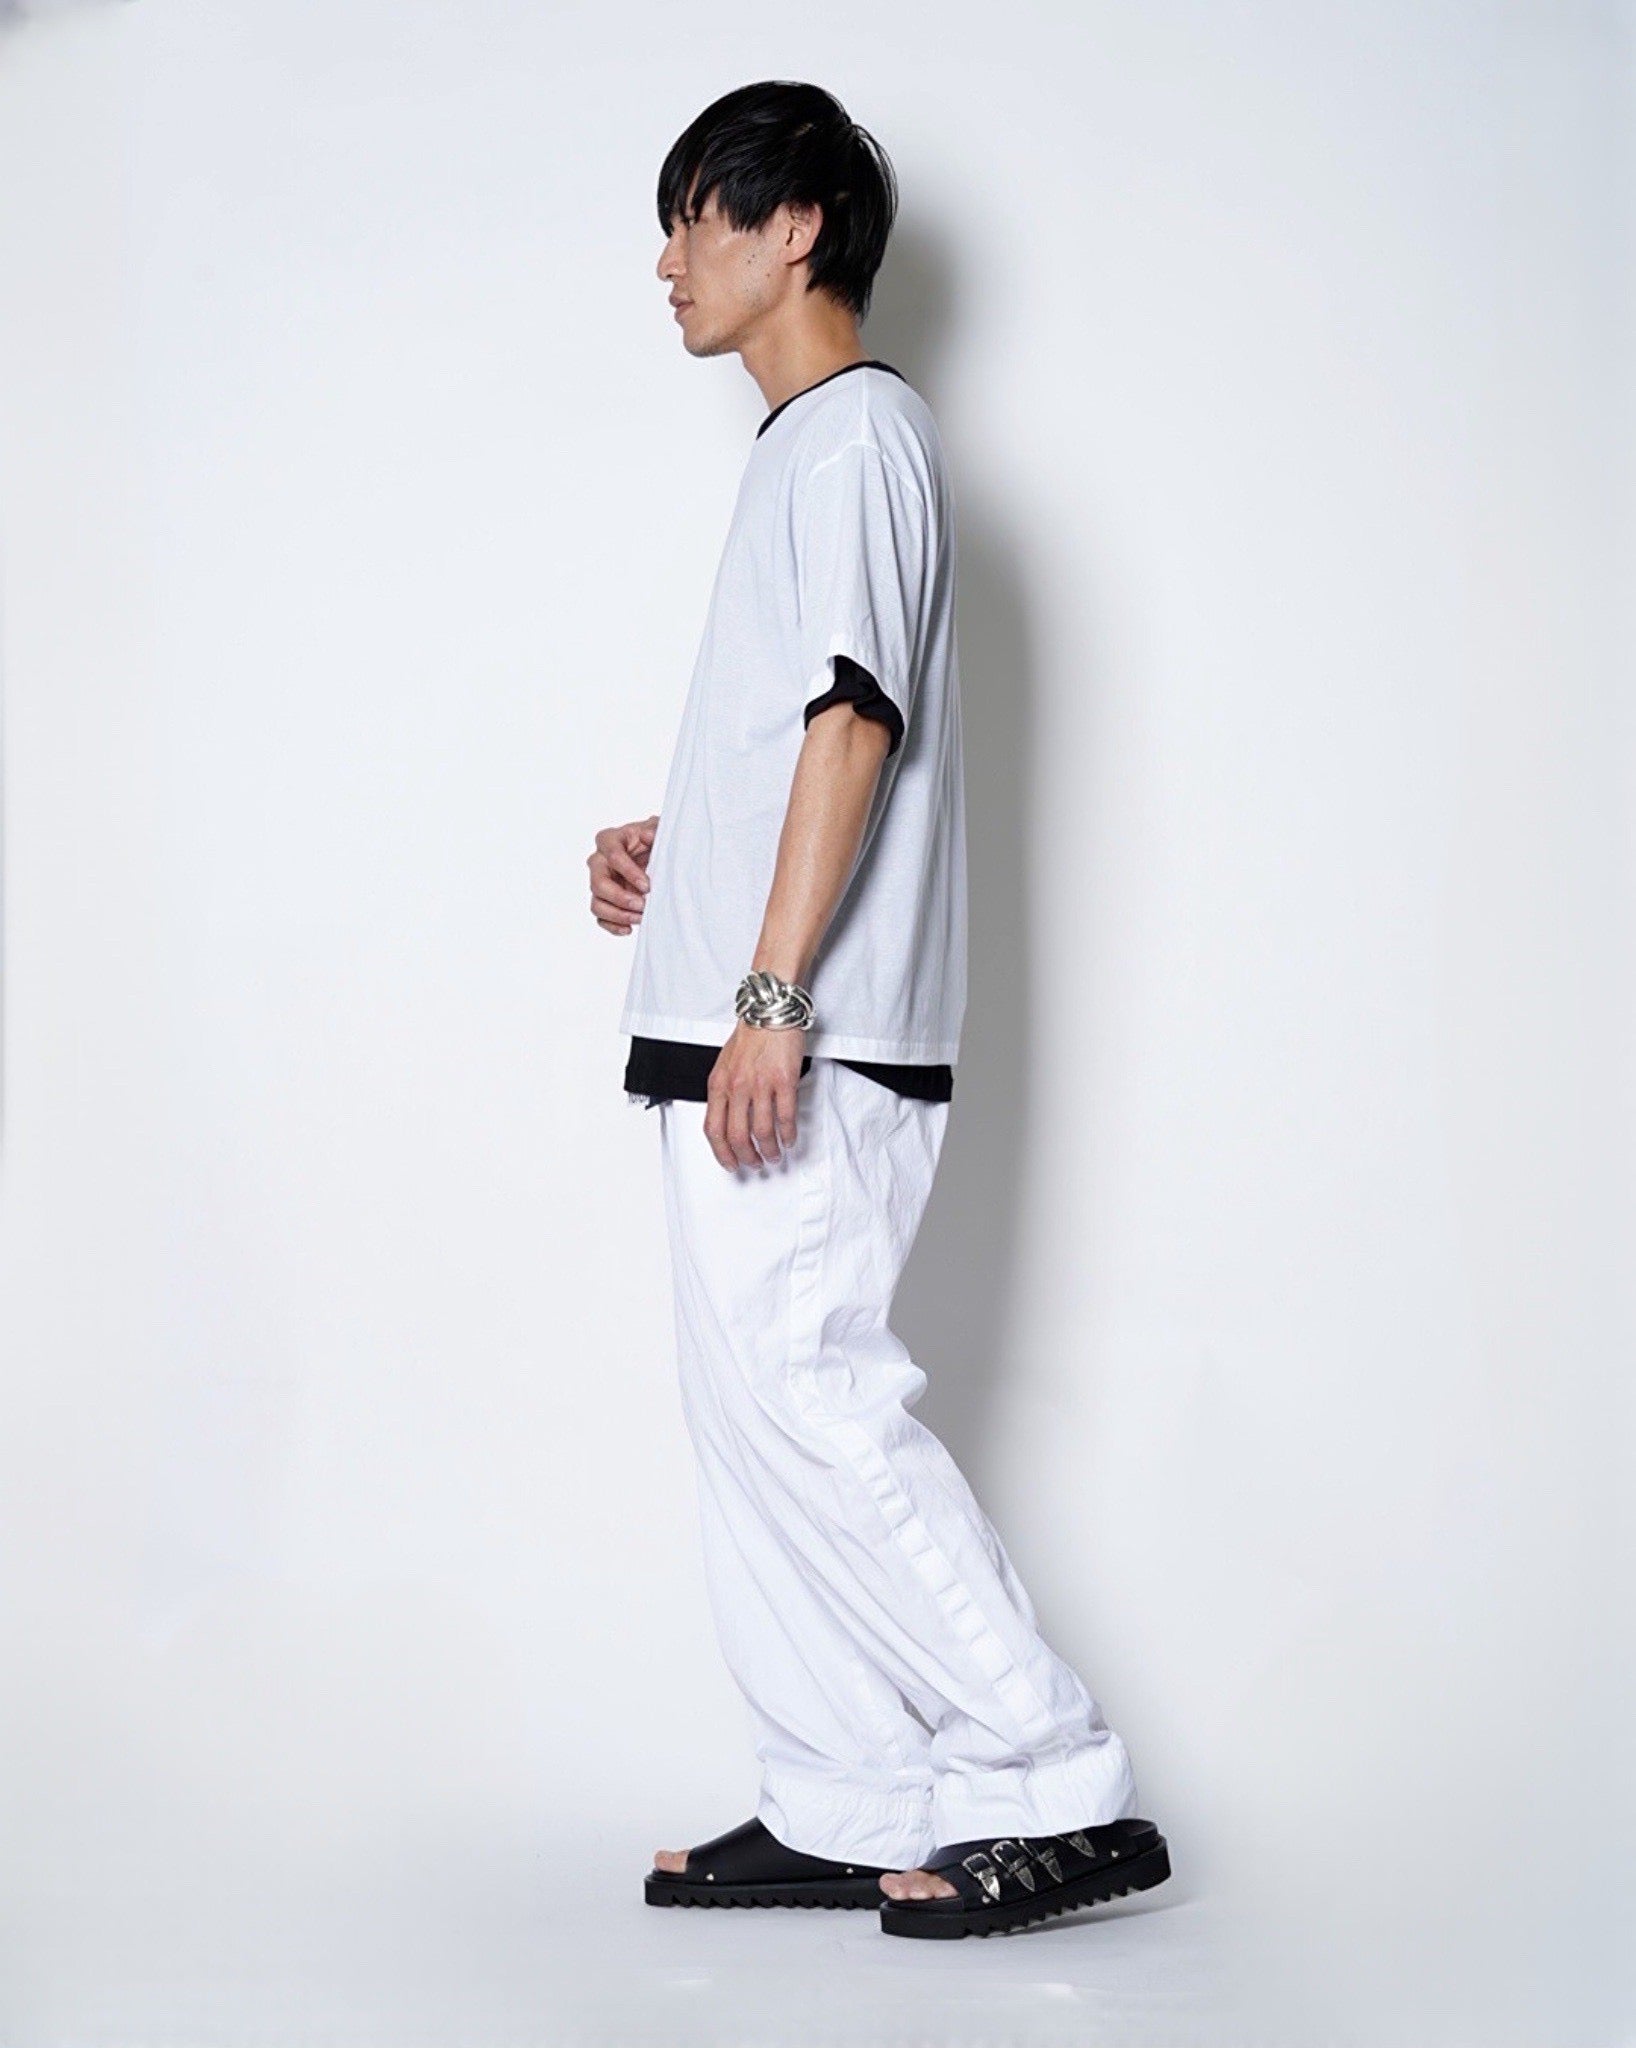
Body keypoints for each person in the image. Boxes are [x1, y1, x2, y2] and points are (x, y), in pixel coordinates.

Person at [586, 80, 1169, 1939]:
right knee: (755, 1424)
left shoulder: (854, 436)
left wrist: (770, 988)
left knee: (817, 1404)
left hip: (804, 1043)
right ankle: (848, 1793)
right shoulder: (808, 451)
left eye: (697, 216)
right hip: (746, 1026)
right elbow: (809, 738)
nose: (667, 260)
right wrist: (682, 850)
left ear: (797, 229)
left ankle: (1059, 1781)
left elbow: (858, 720)